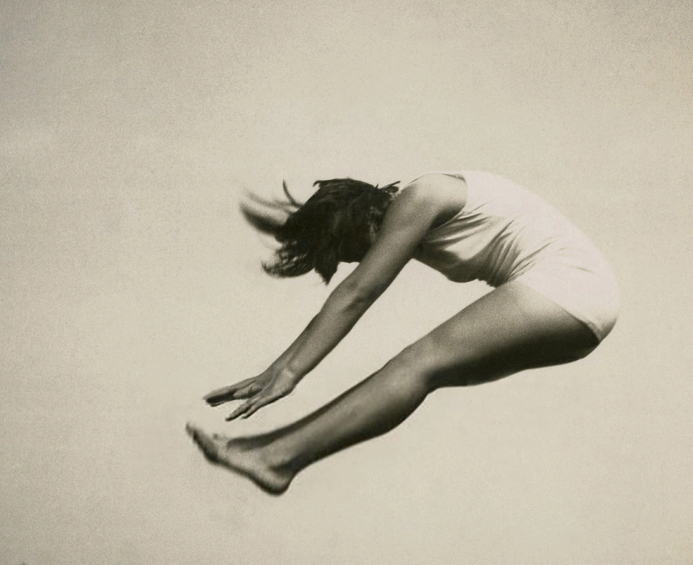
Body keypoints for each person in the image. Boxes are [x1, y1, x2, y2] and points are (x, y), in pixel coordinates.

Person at [187, 171, 619, 495]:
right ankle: (265, 449)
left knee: (415, 363)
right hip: (585, 311)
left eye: (355, 251)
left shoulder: (421, 196)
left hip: (568, 287)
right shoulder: (395, 210)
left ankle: (275, 460)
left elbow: (357, 293)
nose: (363, 261)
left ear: (362, 219)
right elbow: (340, 236)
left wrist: (288, 372)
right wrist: (281, 367)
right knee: (420, 371)